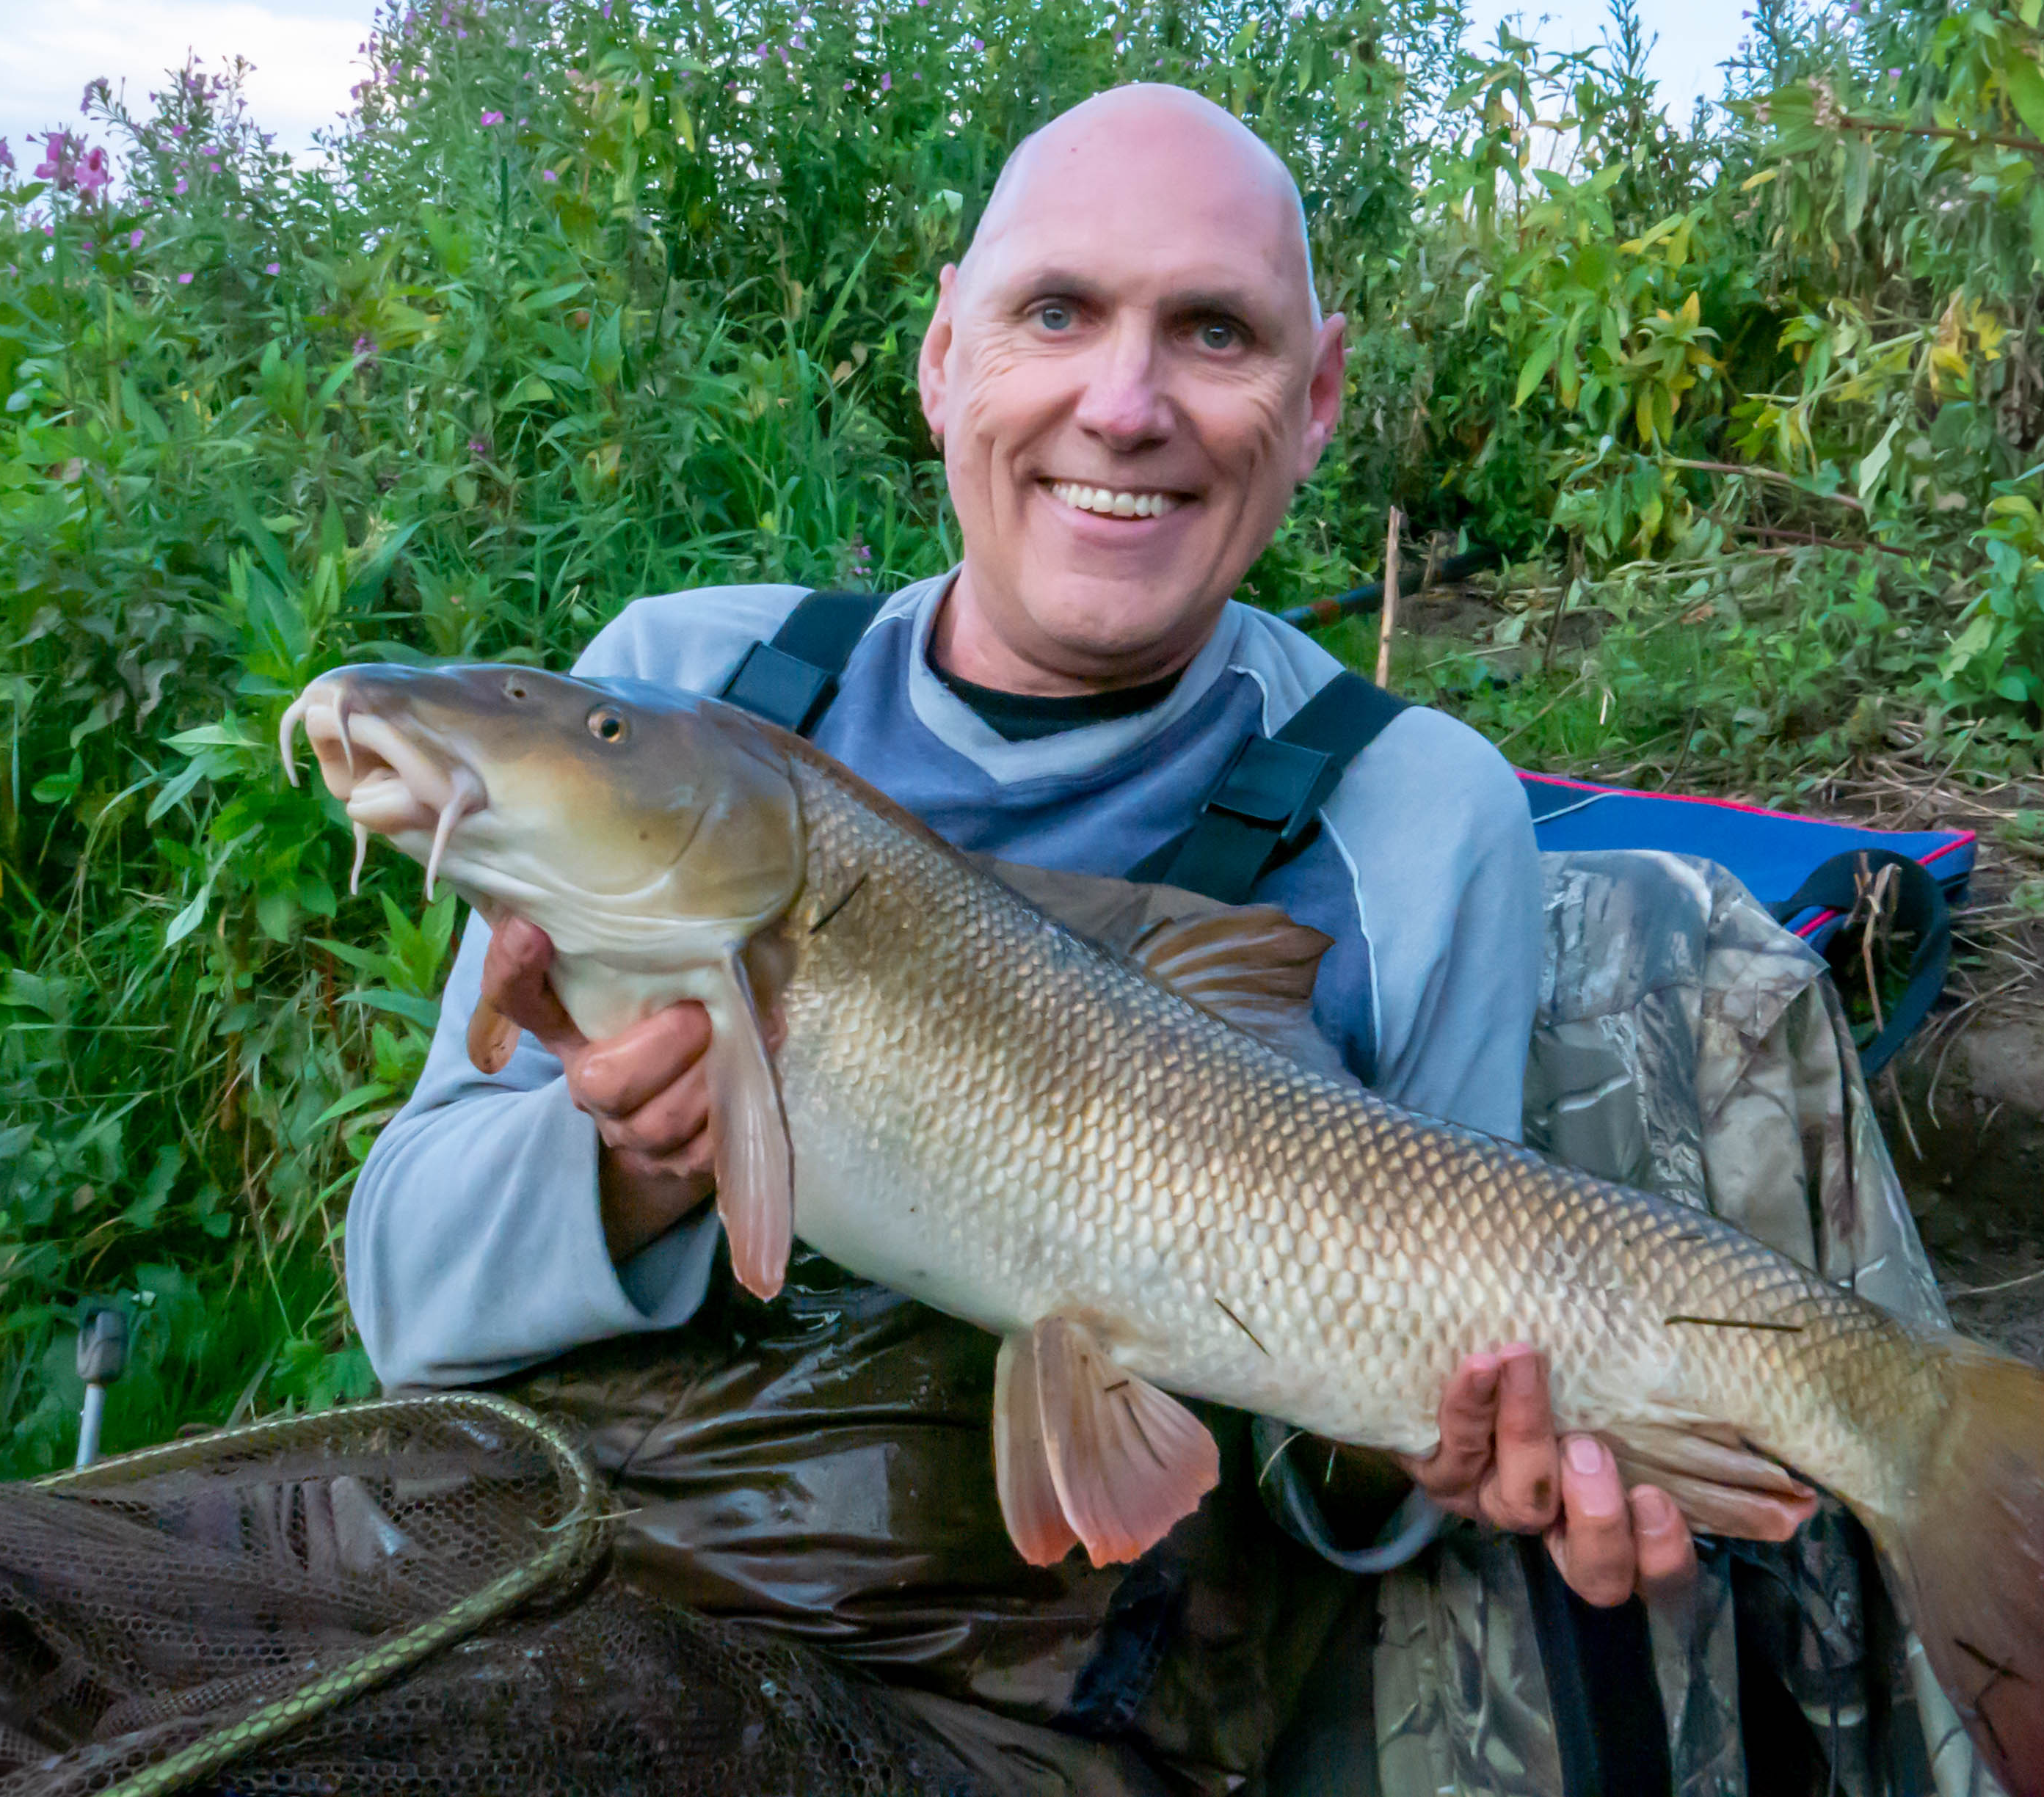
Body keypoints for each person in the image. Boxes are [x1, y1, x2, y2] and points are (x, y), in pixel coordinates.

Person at [350, 84, 1775, 1794]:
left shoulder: (1412, 811)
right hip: (597, 1590)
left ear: (1313, 398)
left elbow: (1363, 1495)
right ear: (944, 352)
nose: (1125, 403)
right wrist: (636, 1162)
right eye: (1054, 313)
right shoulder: (683, 692)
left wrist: (1430, 1458)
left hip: (1079, 1694)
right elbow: (402, 1289)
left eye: (1212, 332)